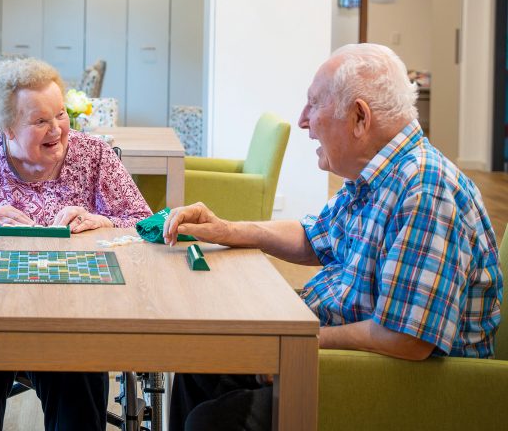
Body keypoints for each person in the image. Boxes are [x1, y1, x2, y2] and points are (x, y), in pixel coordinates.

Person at [162, 43, 503, 431]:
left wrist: (301, 344)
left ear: (359, 117)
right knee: (201, 359)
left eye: (313, 104)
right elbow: (315, 237)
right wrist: (228, 229)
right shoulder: (376, 176)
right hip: (342, 352)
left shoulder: (426, 188)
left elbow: (405, 340)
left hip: (391, 383)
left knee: (211, 422)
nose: (303, 121)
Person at [0, 57, 152, 431]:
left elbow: (145, 225)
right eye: (40, 121)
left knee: (79, 390)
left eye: (61, 114)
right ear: (6, 128)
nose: (57, 128)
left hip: (72, 314)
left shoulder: (94, 156)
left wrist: (103, 222)